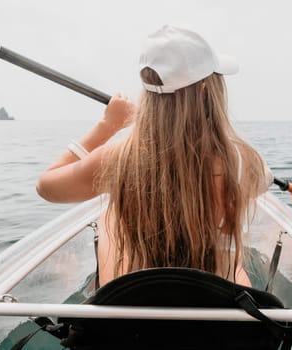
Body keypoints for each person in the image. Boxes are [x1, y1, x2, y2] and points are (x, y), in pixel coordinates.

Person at [36, 25, 273, 288]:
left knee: (110, 214)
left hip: (142, 310)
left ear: (148, 93)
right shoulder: (242, 160)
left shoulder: (117, 160)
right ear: (207, 91)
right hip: (217, 312)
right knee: (231, 245)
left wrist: (107, 126)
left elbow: (46, 186)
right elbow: (263, 182)